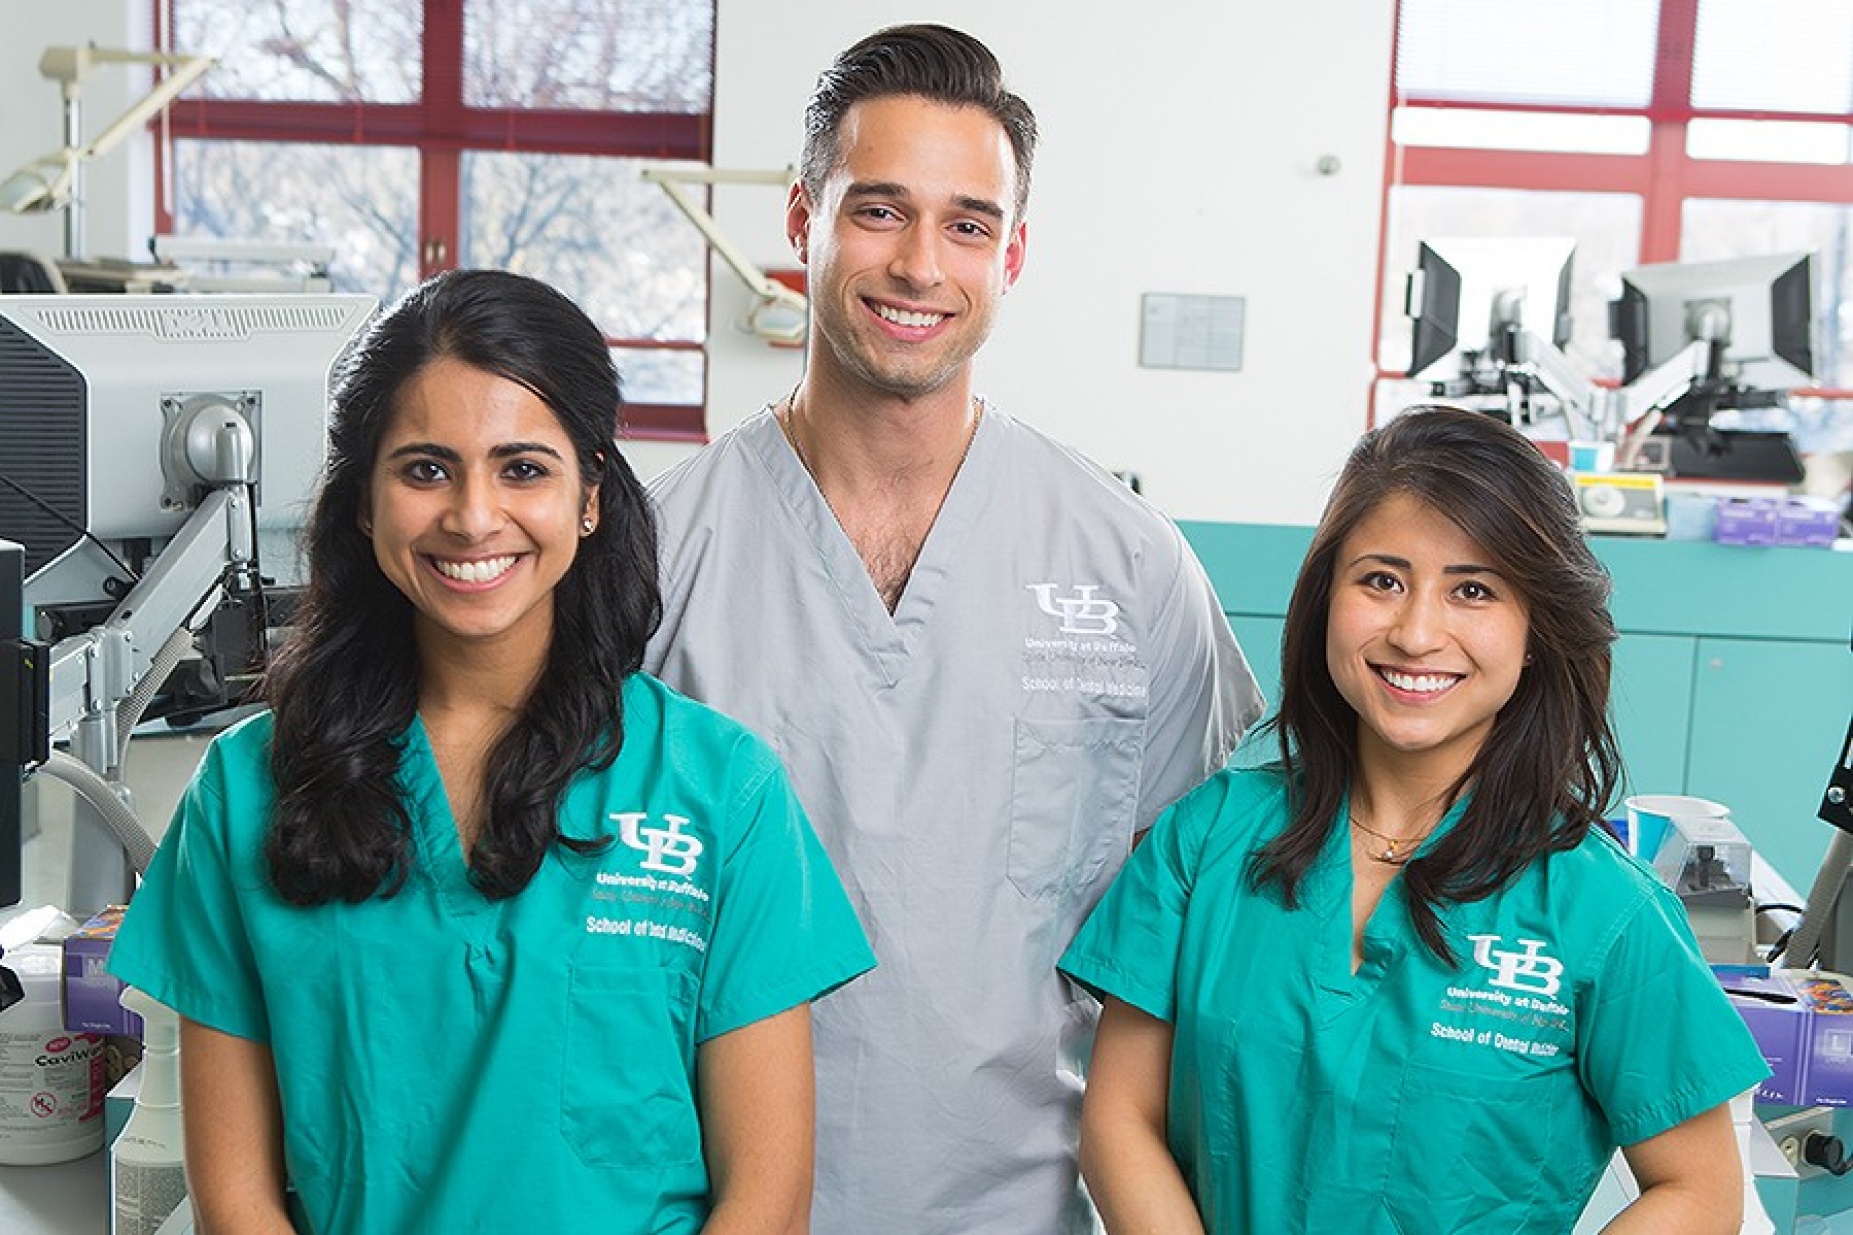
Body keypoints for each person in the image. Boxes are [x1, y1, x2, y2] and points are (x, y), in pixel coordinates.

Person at [644, 23, 1263, 1234]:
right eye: (877, 211)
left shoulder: (1130, 565)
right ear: (801, 219)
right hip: (711, 1203)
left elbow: (1192, 937)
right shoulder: (661, 555)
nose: (920, 263)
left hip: (1026, 1207)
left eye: (967, 223)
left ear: (1012, 253)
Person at [108, 269, 875, 1234]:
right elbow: (240, 1199)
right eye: (425, 468)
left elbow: (764, 1200)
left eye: (523, 468)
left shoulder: (722, 792)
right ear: (362, 504)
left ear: (589, 496)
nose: (474, 516)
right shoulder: (247, 790)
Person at [1059, 406, 1770, 1234]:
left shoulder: (1603, 913)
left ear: (1536, 627)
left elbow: (1698, 1191)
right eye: (1380, 580)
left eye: (1472, 589)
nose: (1416, 631)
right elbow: (1119, 1120)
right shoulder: (1206, 838)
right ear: (1327, 597)